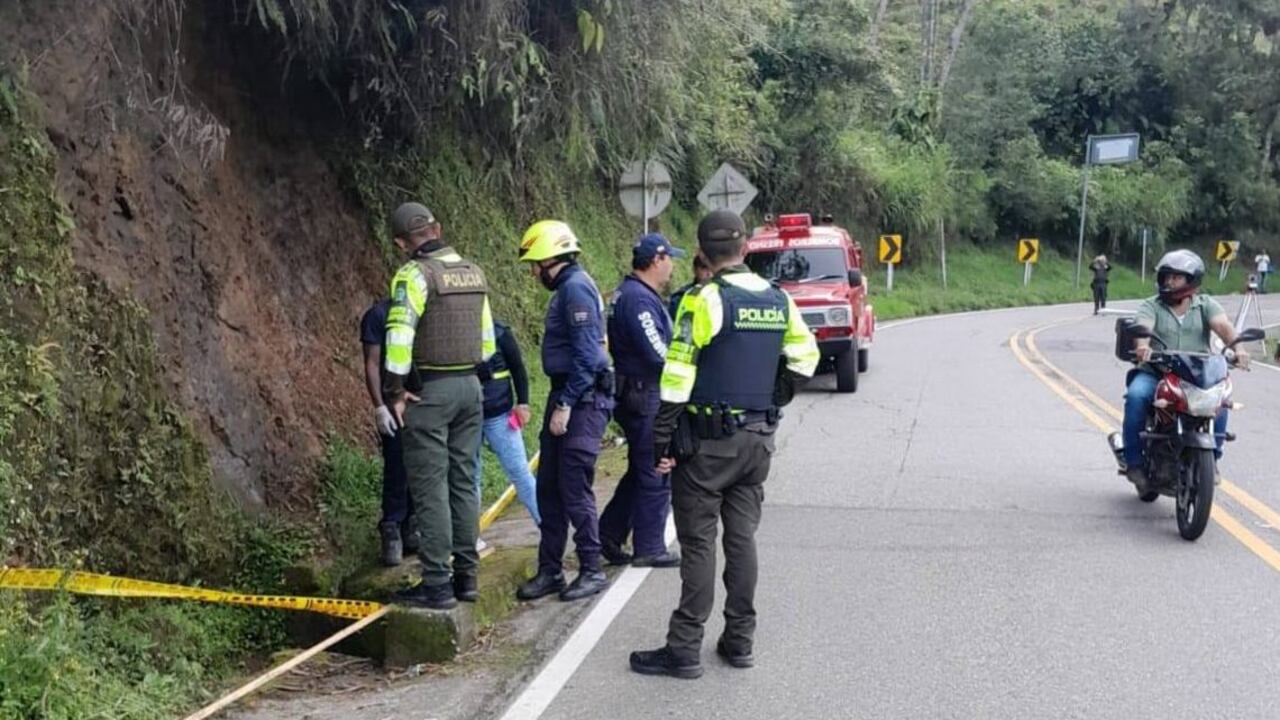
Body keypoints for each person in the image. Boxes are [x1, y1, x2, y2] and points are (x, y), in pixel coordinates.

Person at [629, 210, 819, 679]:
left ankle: (685, 649)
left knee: (698, 544)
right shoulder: (777, 300)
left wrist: (661, 440)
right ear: (745, 248)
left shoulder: (703, 299)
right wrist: (771, 398)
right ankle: (739, 641)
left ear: (702, 253)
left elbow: (676, 376)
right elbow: (805, 358)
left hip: (707, 447)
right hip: (758, 442)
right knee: (742, 540)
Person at [384, 202, 496, 610]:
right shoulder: (474, 272)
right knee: (465, 480)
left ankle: (436, 582)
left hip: (430, 391)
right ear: (438, 228)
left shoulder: (413, 275)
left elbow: (398, 337)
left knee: (431, 486)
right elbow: (487, 344)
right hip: (471, 387)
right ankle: (467, 577)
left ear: (401, 243)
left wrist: (395, 390)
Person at [515, 220, 615, 603]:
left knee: (574, 487)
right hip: (569, 394)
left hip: (583, 399)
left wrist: (567, 405)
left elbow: (590, 357)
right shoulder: (572, 287)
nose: (533, 272)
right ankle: (550, 570)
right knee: (550, 490)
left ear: (547, 258)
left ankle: (592, 569)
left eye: (534, 264)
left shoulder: (574, 290)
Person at [1123, 250, 1250, 493]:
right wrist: (1142, 347)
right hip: (1156, 372)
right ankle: (1134, 463)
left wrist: (1239, 349)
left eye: (1176, 277)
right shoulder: (1152, 305)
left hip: (1194, 375)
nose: (1169, 282)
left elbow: (1223, 326)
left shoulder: (1205, 305)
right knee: (1136, 396)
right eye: (1166, 276)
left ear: (1191, 280)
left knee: (1220, 402)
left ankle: (1211, 459)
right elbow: (1143, 330)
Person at [598, 234, 686, 569]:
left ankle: (609, 532)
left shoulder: (632, 294)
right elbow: (657, 353)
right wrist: (684, 373)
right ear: (656, 260)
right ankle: (649, 546)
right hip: (644, 393)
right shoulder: (638, 300)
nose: (672, 266)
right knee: (654, 468)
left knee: (639, 469)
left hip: (635, 391)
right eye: (669, 259)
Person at [361, 297, 416, 566]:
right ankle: (392, 527)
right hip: (392, 402)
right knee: (397, 465)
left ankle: (411, 525)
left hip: (419, 398)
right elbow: (371, 363)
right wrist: (379, 406)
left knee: (421, 465)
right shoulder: (378, 316)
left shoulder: (421, 312)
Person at [474, 320, 541, 526]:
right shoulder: (455, 333)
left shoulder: (500, 332)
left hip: (500, 414)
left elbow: (518, 368)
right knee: (469, 478)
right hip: (467, 416)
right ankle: (469, 538)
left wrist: (523, 403)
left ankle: (547, 526)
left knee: (520, 472)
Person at [668, 254, 712, 319]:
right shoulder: (681, 298)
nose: (709, 273)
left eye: (712, 268)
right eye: (704, 268)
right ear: (695, 270)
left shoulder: (725, 295)